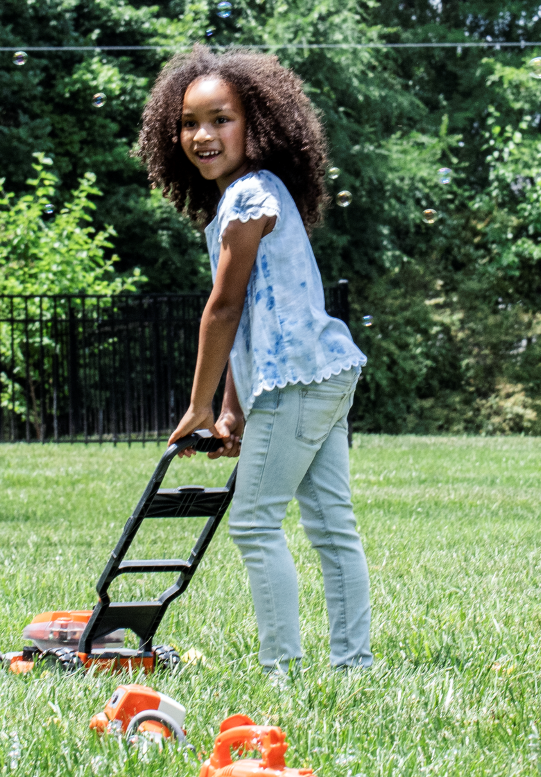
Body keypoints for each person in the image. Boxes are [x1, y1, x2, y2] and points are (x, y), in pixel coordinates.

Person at [134, 48, 371, 673]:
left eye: (221, 119)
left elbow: (224, 308)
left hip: (300, 378)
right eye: (188, 123)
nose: (203, 135)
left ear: (258, 125)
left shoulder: (248, 199)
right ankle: (354, 664)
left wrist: (200, 405)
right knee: (329, 523)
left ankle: (282, 672)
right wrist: (235, 410)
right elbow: (252, 325)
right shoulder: (246, 198)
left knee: (256, 523)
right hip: (321, 371)